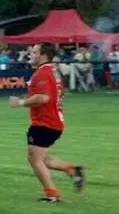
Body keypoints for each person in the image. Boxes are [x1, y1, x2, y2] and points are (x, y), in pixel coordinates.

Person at [7, 42, 85, 203]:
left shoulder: (42, 73)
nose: (31, 54)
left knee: (35, 159)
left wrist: (21, 102)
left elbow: (43, 98)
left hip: (45, 122)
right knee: (40, 158)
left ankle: (52, 194)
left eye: (34, 52)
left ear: (42, 55)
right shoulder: (53, 71)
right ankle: (72, 170)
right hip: (54, 120)